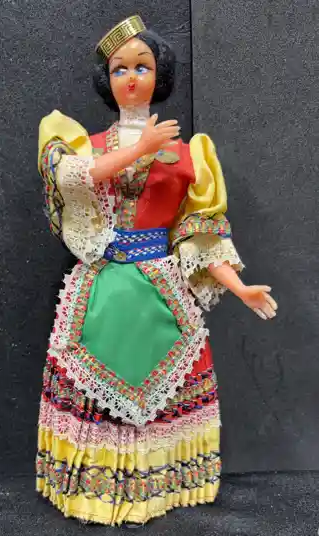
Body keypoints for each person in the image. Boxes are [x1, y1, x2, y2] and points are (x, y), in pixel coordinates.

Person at [35, 15, 278, 526]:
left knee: (169, 379)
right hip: (102, 290)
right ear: (107, 80)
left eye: (141, 67)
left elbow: (199, 233)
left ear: (159, 74)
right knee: (93, 382)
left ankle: (161, 485)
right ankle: (96, 490)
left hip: (160, 289)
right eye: (119, 69)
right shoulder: (83, 147)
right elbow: (75, 180)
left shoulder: (189, 155)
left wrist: (240, 288)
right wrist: (141, 147)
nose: (130, 78)